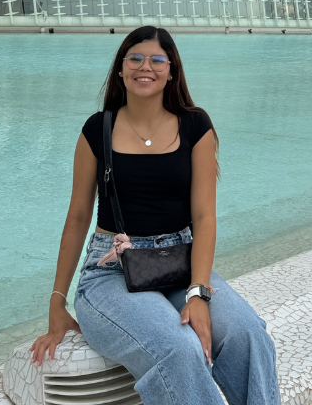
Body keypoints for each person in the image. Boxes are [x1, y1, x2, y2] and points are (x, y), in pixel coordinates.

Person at [30, 26, 280, 405]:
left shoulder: (195, 126)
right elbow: (78, 217)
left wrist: (198, 293)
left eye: (157, 59)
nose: (145, 66)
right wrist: (56, 302)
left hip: (181, 262)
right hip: (111, 272)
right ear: (120, 69)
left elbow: (204, 217)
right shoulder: (97, 129)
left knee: (248, 334)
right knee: (178, 350)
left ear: (172, 71)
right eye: (135, 58)